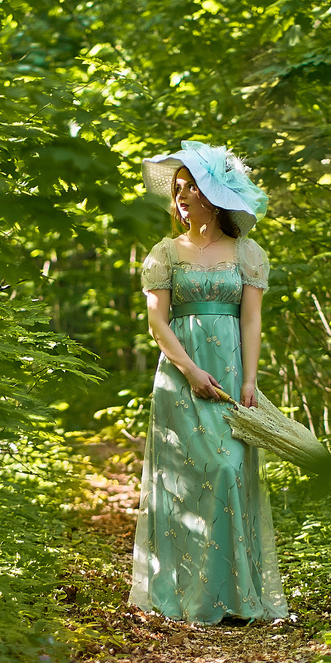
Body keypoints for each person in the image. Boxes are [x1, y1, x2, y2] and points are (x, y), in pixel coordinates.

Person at [129, 142, 291, 625]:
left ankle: (235, 598)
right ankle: (182, 595)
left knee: (229, 470)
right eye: (177, 190)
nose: (181, 198)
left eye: (190, 188)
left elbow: (251, 322)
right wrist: (188, 370)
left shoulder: (247, 252)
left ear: (213, 196)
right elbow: (158, 324)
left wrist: (249, 379)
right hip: (180, 374)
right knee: (184, 480)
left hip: (230, 374)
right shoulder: (164, 254)